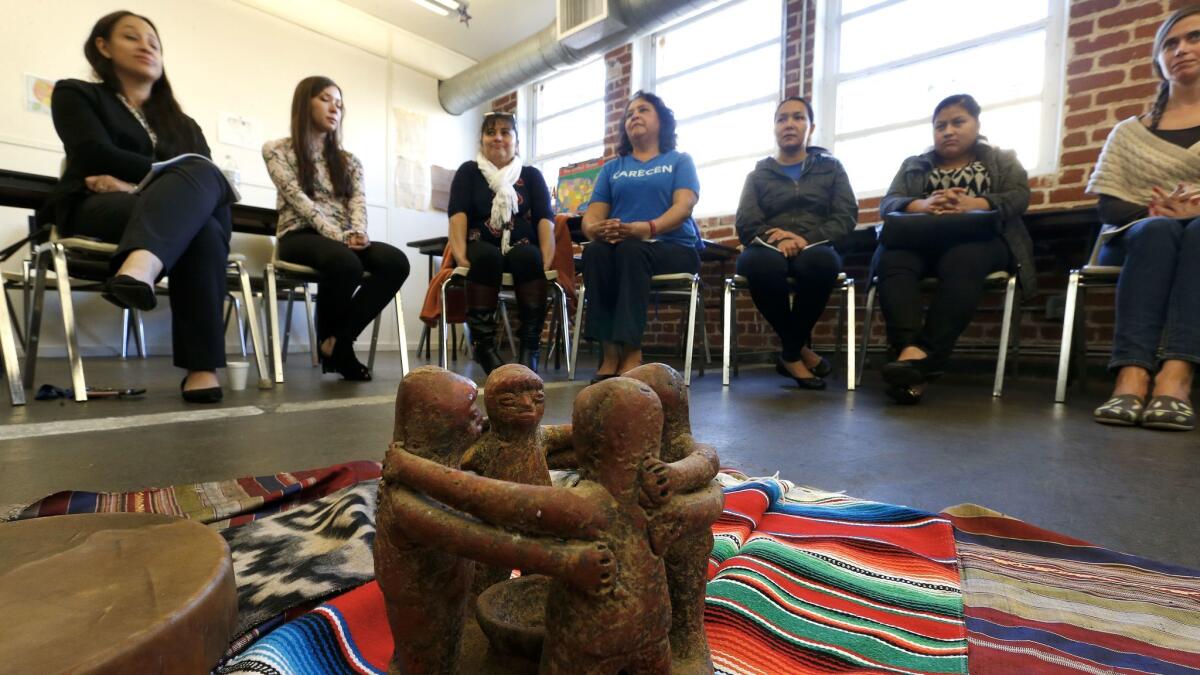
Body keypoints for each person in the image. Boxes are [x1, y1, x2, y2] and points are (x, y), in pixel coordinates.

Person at [44, 11, 237, 403]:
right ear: (103, 46)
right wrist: (156, 185)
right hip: (95, 209)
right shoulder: (76, 93)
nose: (146, 46)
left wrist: (137, 185)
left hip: (160, 214)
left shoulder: (186, 125)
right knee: (198, 206)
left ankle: (139, 268)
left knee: (203, 198)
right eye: (132, 37)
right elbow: (91, 152)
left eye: (154, 42)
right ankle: (201, 367)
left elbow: (205, 182)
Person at [875, 94, 1035, 404]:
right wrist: (926, 203)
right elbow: (889, 203)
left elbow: (1019, 197)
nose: (948, 131)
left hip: (981, 243)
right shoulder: (914, 165)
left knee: (963, 259)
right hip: (920, 241)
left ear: (977, 124)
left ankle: (919, 356)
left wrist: (972, 204)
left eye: (958, 122)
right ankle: (912, 358)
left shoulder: (1001, 159)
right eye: (940, 126)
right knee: (893, 259)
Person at [1087, 6, 1200, 431]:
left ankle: (1177, 374)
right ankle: (1131, 373)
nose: (1182, 49)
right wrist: (1161, 210)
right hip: (1135, 235)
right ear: (1158, 58)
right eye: (1170, 43)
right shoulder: (1128, 132)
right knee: (1159, 230)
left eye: (1194, 38)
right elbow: (1109, 205)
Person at [263, 76, 409, 381]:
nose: (335, 108)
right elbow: (300, 202)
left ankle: (338, 340)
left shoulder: (349, 161)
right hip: (299, 235)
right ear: (305, 103)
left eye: (340, 104)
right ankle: (337, 348)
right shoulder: (277, 150)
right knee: (345, 263)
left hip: (343, 240)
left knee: (395, 262)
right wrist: (339, 237)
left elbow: (358, 202)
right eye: (326, 99)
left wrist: (359, 232)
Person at [735, 97, 858, 390]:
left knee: (822, 263)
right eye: (782, 118)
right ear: (774, 128)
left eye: (798, 117)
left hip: (814, 246)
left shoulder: (832, 169)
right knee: (759, 264)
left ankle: (790, 353)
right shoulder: (758, 174)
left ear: (810, 126)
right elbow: (746, 222)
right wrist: (776, 241)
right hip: (767, 247)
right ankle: (800, 351)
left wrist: (805, 239)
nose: (789, 124)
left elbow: (845, 215)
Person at [581, 92, 702, 382]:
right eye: (630, 112)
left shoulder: (679, 161)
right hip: (626, 249)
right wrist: (595, 230)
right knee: (594, 253)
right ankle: (609, 351)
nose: (634, 115)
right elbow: (591, 216)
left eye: (643, 110)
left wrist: (648, 228)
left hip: (673, 247)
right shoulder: (613, 168)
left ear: (661, 120)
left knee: (631, 250)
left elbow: (684, 206)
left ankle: (632, 351)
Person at [447, 112, 555, 374]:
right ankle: (483, 346)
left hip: (522, 244)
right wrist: (461, 257)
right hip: (479, 245)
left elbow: (545, 219)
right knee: (487, 257)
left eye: (505, 132)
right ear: (482, 140)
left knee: (529, 257)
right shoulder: (469, 172)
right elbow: (457, 215)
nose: (498, 138)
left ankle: (530, 347)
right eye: (490, 132)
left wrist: (546, 258)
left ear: (516, 142)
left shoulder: (531, 176)